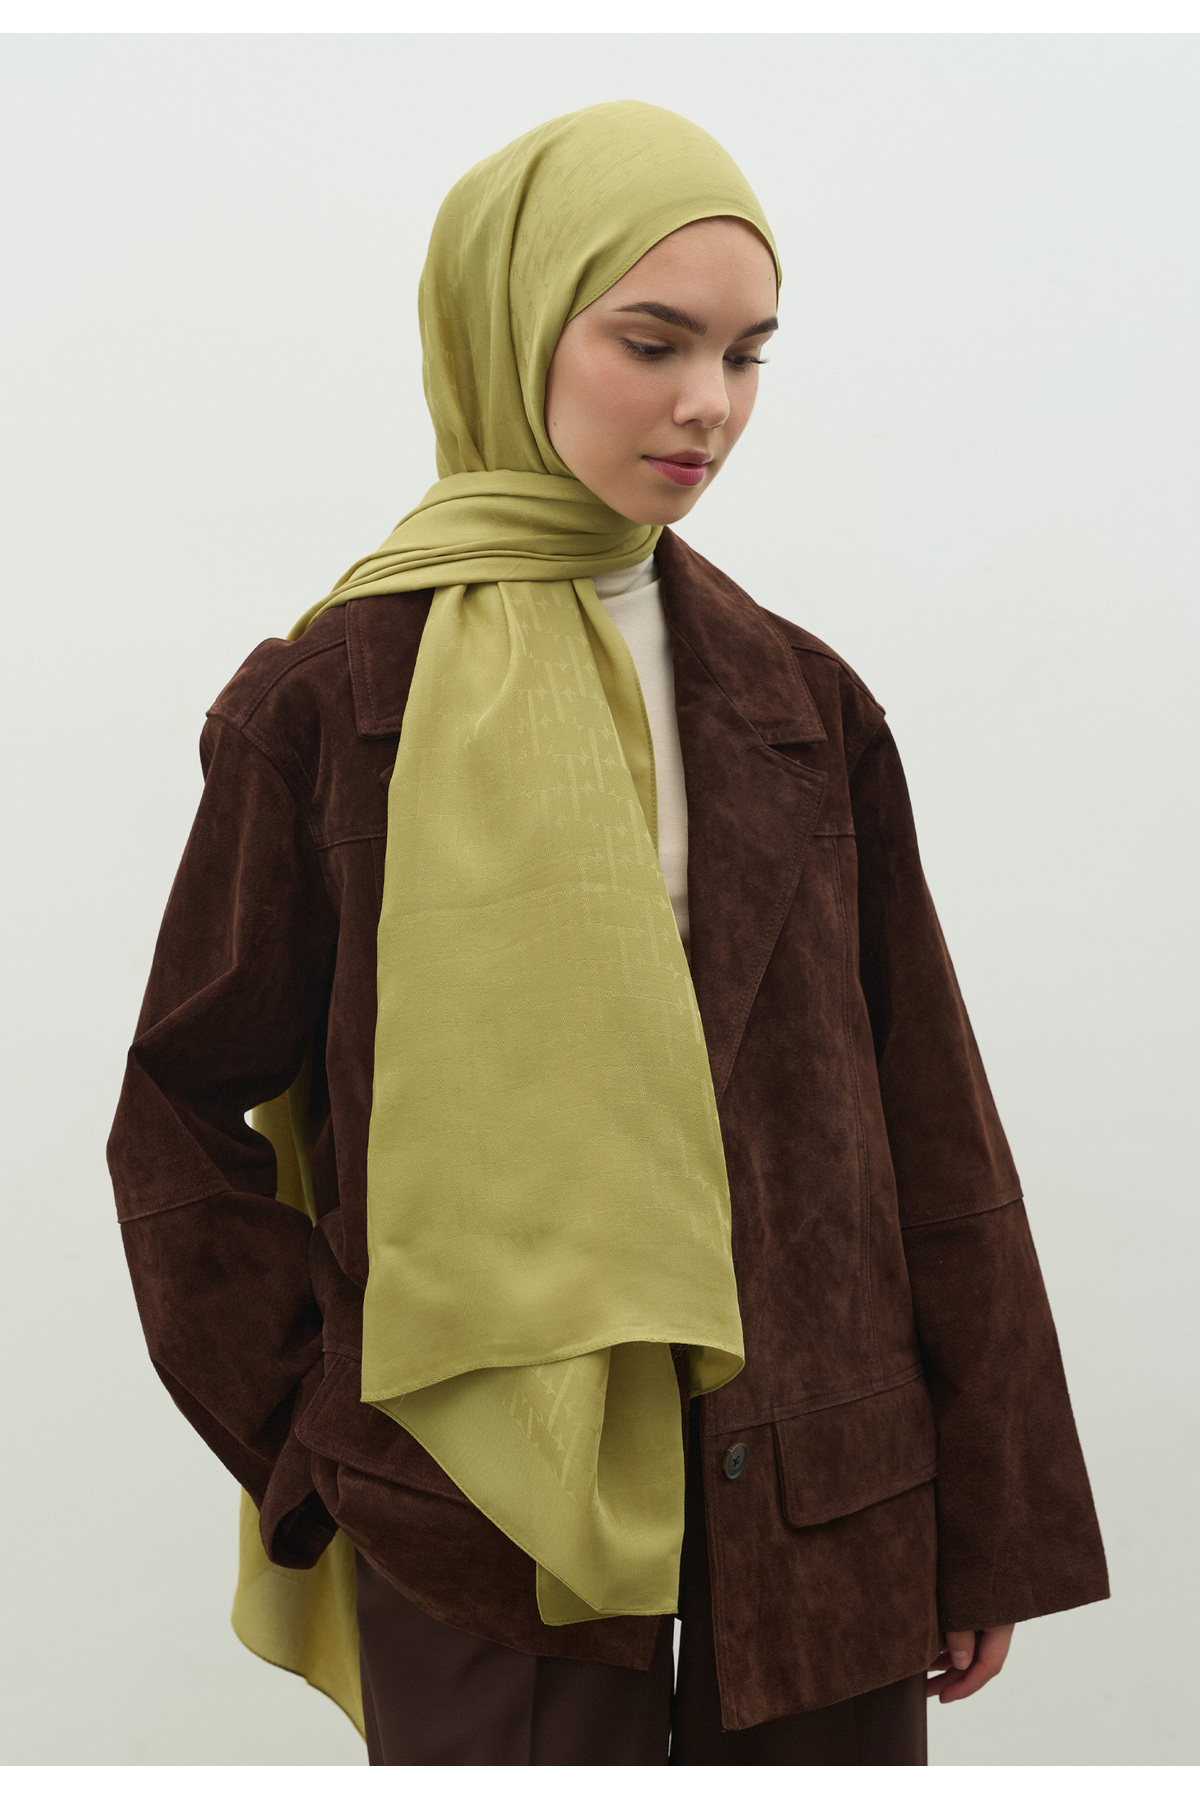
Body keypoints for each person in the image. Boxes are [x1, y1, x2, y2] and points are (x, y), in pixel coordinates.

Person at [107, 101, 1109, 1767]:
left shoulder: (805, 702)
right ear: (510, 326)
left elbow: (929, 1115)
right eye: (653, 343)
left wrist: (992, 1512)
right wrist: (326, 1441)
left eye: (747, 353)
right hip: (474, 1505)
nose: (708, 402)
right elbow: (176, 1113)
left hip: (828, 1487)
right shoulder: (332, 703)